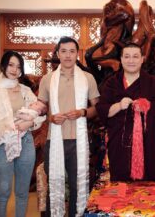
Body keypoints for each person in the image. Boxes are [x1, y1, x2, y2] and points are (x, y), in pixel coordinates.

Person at [95, 43, 155, 182]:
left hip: (149, 145)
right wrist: (119, 106)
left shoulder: (153, 83)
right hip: (120, 145)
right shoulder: (112, 83)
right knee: (122, 185)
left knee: (150, 188)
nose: (131, 60)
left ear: (142, 59)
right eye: (127, 56)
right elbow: (102, 110)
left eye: (135, 56)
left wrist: (149, 106)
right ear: (121, 59)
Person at [38, 36, 100, 217]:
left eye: (72, 51)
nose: (67, 56)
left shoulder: (88, 78)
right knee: (54, 184)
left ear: (77, 54)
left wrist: (82, 112)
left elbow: (97, 108)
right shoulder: (47, 79)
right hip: (54, 140)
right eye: (63, 51)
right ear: (58, 54)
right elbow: (40, 108)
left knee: (77, 185)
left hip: (78, 141)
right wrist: (50, 117)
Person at [0, 51, 45, 216]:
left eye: (18, 66)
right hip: (1, 144)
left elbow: (39, 114)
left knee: (22, 192)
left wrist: (29, 123)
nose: (14, 69)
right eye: (11, 64)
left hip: (25, 142)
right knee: (3, 192)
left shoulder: (25, 90)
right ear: (3, 65)